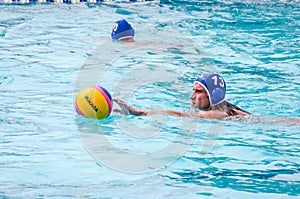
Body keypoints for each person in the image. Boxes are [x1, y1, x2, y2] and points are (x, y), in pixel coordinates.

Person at [113, 73, 299, 123]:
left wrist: (140, 112)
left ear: (213, 95)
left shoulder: (219, 114)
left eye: (198, 91)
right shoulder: (220, 108)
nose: (191, 96)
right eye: (193, 90)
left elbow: (182, 116)